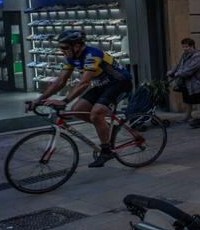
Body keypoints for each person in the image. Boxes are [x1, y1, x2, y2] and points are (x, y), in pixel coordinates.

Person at [32, 29, 132, 168]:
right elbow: (61, 81)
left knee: (96, 113)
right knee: (78, 110)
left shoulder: (92, 55)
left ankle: (106, 151)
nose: (62, 51)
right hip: (102, 85)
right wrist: (39, 99)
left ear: (77, 46)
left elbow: (84, 83)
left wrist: (64, 101)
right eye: (60, 48)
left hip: (120, 83)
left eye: (65, 48)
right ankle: (109, 128)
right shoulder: (72, 58)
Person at [167, 37, 200, 122]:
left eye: (186, 47)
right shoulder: (184, 55)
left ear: (192, 46)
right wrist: (172, 71)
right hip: (187, 82)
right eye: (183, 47)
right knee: (188, 99)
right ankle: (188, 115)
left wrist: (178, 73)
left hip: (197, 81)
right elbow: (179, 65)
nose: (184, 49)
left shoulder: (198, 55)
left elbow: (190, 69)